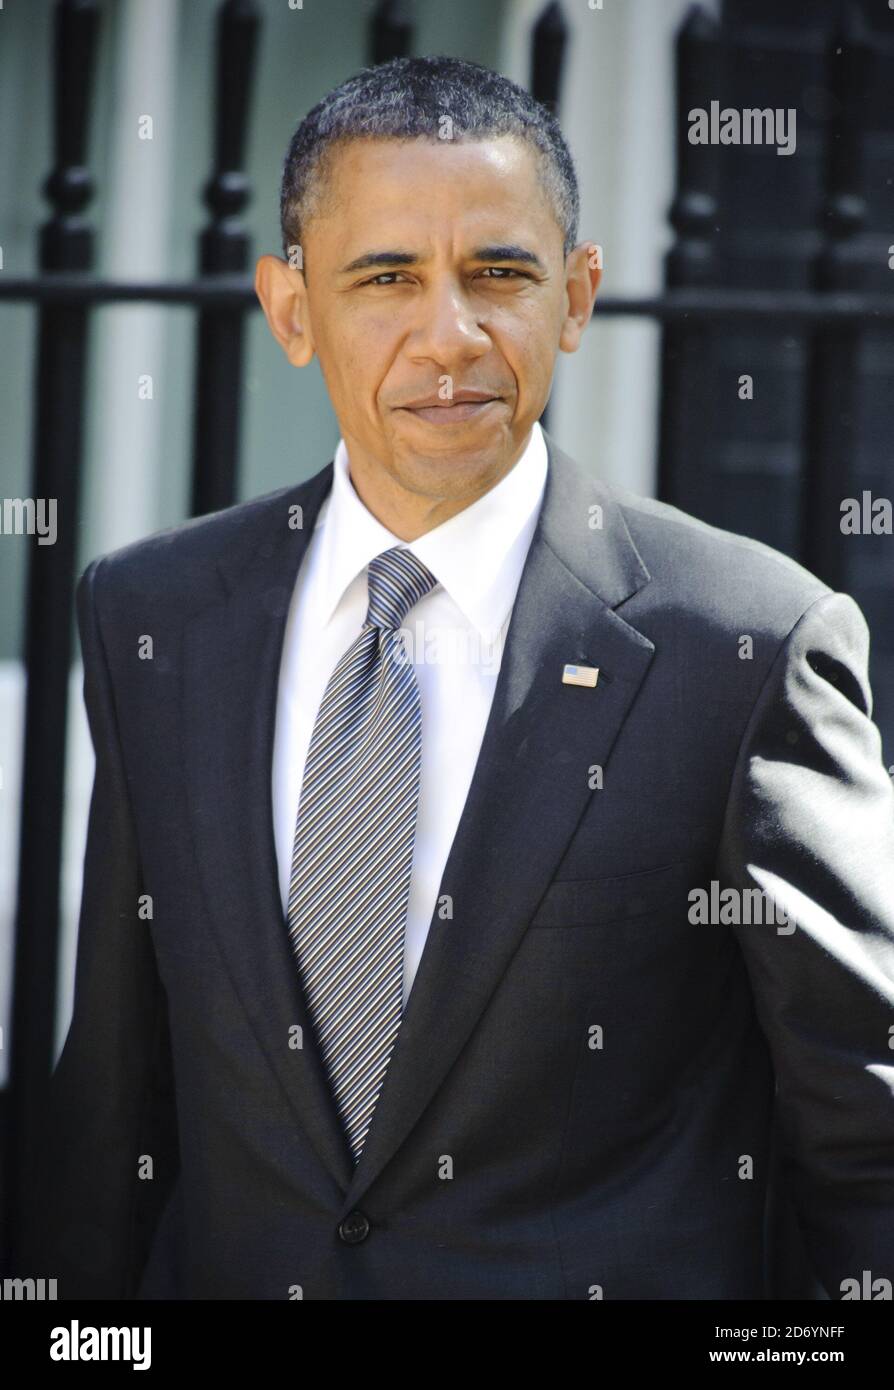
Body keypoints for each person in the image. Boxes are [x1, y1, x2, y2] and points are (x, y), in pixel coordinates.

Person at [27, 55, 894, 1300]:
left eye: (500, 273)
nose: (452, 334)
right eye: (386, 278)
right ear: (290, 309)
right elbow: (112, 1116)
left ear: (578, 295)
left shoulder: (748, 644)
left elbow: (866, 1141)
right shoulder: (153, 615)